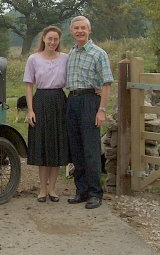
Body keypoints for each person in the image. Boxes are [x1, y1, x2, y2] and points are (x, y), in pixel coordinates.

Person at [65, 16, 113, 209]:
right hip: (73, 100)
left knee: (91, 149)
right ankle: (81, 190)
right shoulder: (72, 53)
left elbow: (106, 83)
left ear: (89, 30)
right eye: (76, 28)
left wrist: (101, 110)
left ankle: (95, 193)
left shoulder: (98, 53)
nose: (80, 31)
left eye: (83, 28)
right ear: (72, 32)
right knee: (76, 148)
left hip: (90, 102)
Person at [23, 26, 70, 203]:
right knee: (43, 145)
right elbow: (28, 84)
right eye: (49, 38)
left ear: (59, 41)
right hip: (40, 101)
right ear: (43, 39)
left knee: (57, 144)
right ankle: (42, 188)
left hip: (59, 101)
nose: (52, 42)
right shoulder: (33, 59)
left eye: (55, 39)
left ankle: (53, 188)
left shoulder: (65, 58)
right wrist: (30, 109)